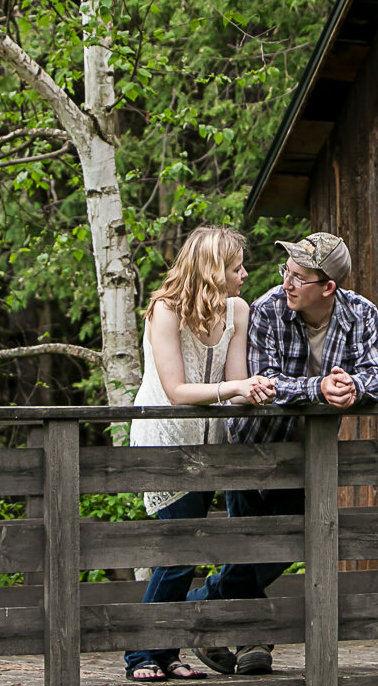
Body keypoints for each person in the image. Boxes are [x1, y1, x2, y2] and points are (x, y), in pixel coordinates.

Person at [191, 231, 378, 676]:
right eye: (287, 272)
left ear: (328, 287)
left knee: (293, 540)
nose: (287, 283)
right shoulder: (265, 309)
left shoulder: (360, 313)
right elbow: (265, 382)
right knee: (249, 542)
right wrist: (319, 388)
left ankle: (200, 605)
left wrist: (354, 387)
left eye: (299, 277)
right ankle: (253, 641)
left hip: (308, 452)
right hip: (251, 444)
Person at [124, 226, 276, 682]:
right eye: (235, 268)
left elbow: (235, 385)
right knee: (179, 551)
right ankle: (139, 656)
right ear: (212, 272)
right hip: (165, 437)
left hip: (209, 442)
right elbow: (175, 392)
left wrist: (264, 389)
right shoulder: (164, 311)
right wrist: (237, 387)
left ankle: (166, 655)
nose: (244, 275)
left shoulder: (237, 310)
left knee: (188, 550)